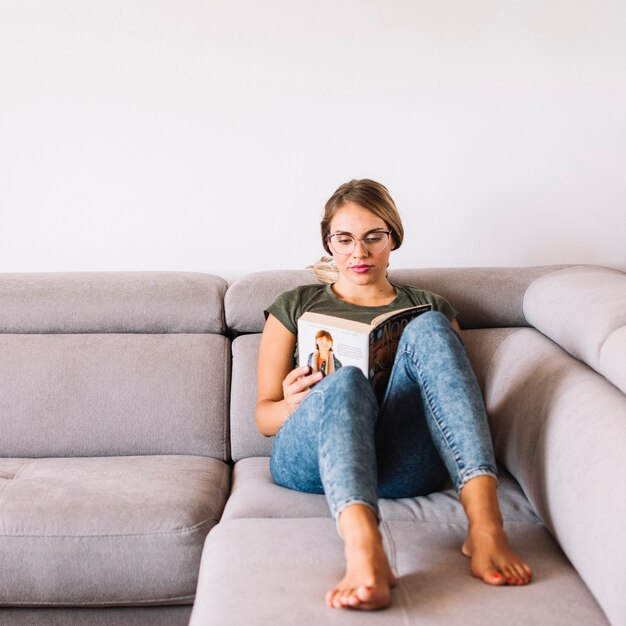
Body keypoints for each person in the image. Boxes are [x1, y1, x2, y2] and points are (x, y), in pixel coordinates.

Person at [256, 179, 532, 611]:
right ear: (328, 243)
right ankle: (365, 548)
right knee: (345, 381)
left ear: (394, 239)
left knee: (431, 327)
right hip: (314, 461)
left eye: (373, 238)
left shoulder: (428, 305)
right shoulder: (296, 304)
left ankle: (485, 527)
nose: (358, 253)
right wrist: (291, 405)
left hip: (404, 463)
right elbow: (263, 418)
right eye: (344, 239)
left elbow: (455, 402)